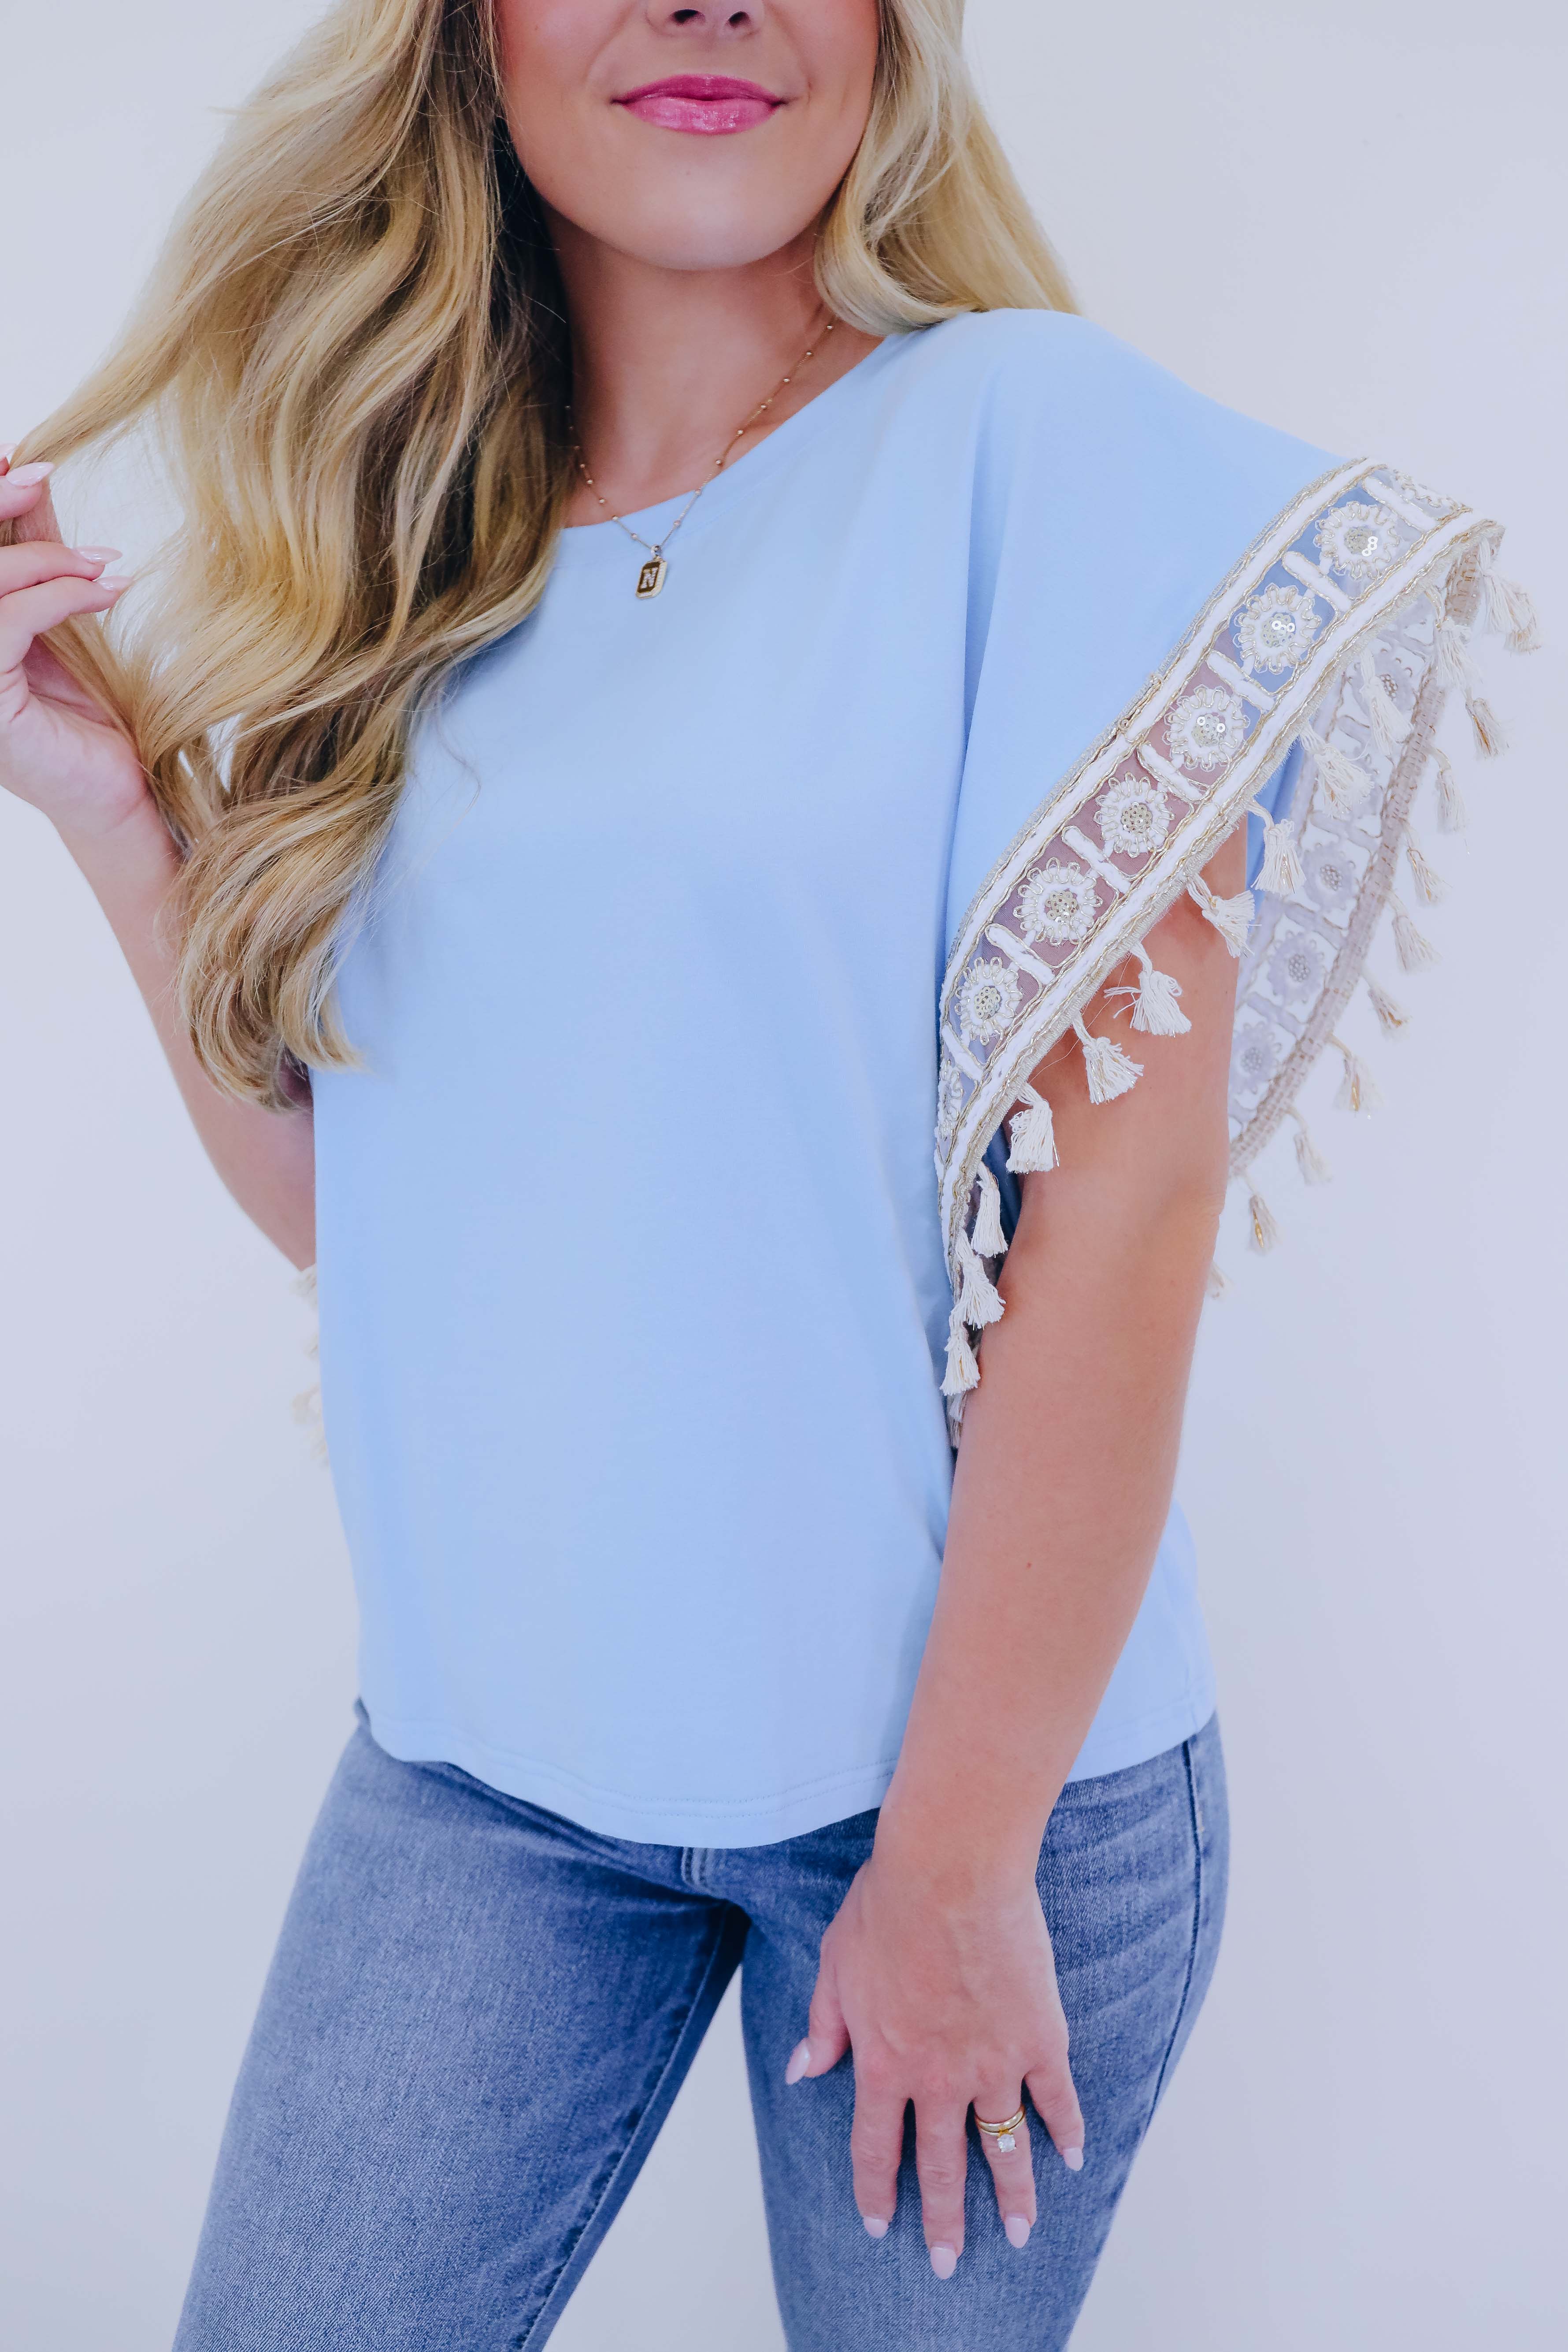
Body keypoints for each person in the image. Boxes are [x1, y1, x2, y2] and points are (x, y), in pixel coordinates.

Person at [0, 3, 1531, 2345]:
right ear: (469, 39)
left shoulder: (1030, 446)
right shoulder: (409, 553)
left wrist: (954, 1867)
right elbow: (388, 1226)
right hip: (495, 1769)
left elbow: (1115, 1234)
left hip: (970, 1791)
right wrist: (117, 824)